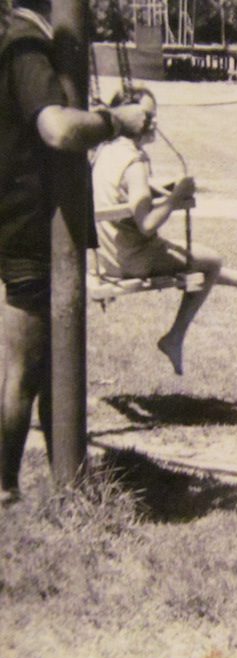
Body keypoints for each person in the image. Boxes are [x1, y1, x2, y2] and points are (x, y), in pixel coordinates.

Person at [0, 0, 151, 504]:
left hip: (35, 221)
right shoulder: (25, 44)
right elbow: (58, 129)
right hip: (29, 227)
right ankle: (4, 487)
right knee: (25, 366)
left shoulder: (27, 38)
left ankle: (63, 477)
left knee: (40, 366)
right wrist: (116, 122)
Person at [91, 86, 237, 377]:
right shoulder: (135, 162)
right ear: (127, 117)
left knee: (196, 258)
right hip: (134, 260)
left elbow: (125, 191)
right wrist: (177, 198)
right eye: (147, 116)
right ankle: (174, 338)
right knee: (211, 260)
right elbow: (147, 224)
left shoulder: (107, 150)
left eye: (154, 116)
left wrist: (163, 186)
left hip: (107, 256)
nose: (153, 123)